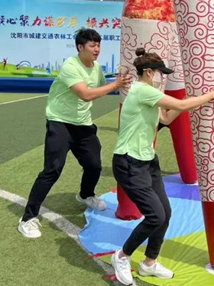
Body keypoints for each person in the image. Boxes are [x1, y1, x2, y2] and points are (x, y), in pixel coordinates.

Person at [110, 48, 214, 286]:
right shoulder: (142, 90)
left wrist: (190, 101)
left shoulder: (150, 94)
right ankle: (122, 256)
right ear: (148, 72)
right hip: (129, 162)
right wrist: (211, 95)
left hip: (148, 161)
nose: (161, 78)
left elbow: (165, 118)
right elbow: (180, 106)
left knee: (165, 213)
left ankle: (149, 263)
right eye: (160, 74)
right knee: (155, 216)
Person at [18, 29, 130, 239]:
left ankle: (86, 195)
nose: (97, 49)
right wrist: (115, 85)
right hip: (60, 123)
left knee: (94, 165)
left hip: (83, 125)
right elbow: (85, 94)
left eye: (98, 45)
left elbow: (101, 87)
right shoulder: (70, 65)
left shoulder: (96, 68)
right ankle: (28, 218)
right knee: (52, 169)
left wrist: (120, 81)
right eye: (92, 45)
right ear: (80, 47)